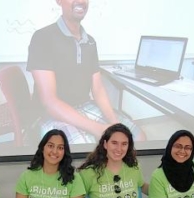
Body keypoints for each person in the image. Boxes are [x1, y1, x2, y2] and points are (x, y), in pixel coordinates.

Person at [26, 0, 144, 144]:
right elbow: (49, 102)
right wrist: (98, 129)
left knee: (137, 137)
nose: (81, 1)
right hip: (51, 114)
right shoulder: (42, 37)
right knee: (85, 150)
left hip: (86, 106)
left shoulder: (90, 42)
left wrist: (115, 124)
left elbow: (98, 89)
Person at [15, 129, 86, 198]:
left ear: (64, 152)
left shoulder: (74, 178)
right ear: (43, 148)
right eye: (50, 146)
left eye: (60, 148)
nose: (55, 151)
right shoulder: (26, 176)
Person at [79, 123, 148, 198]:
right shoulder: (88, 173)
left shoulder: (134, 167)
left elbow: (142, 185)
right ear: (105, 144)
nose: (119, 149)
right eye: (114, 143)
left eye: (124, 144)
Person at [149, 130, 194, 198]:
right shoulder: (157, 176)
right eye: (178, 146)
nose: (182, 151)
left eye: (187, 147)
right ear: (170, 147)